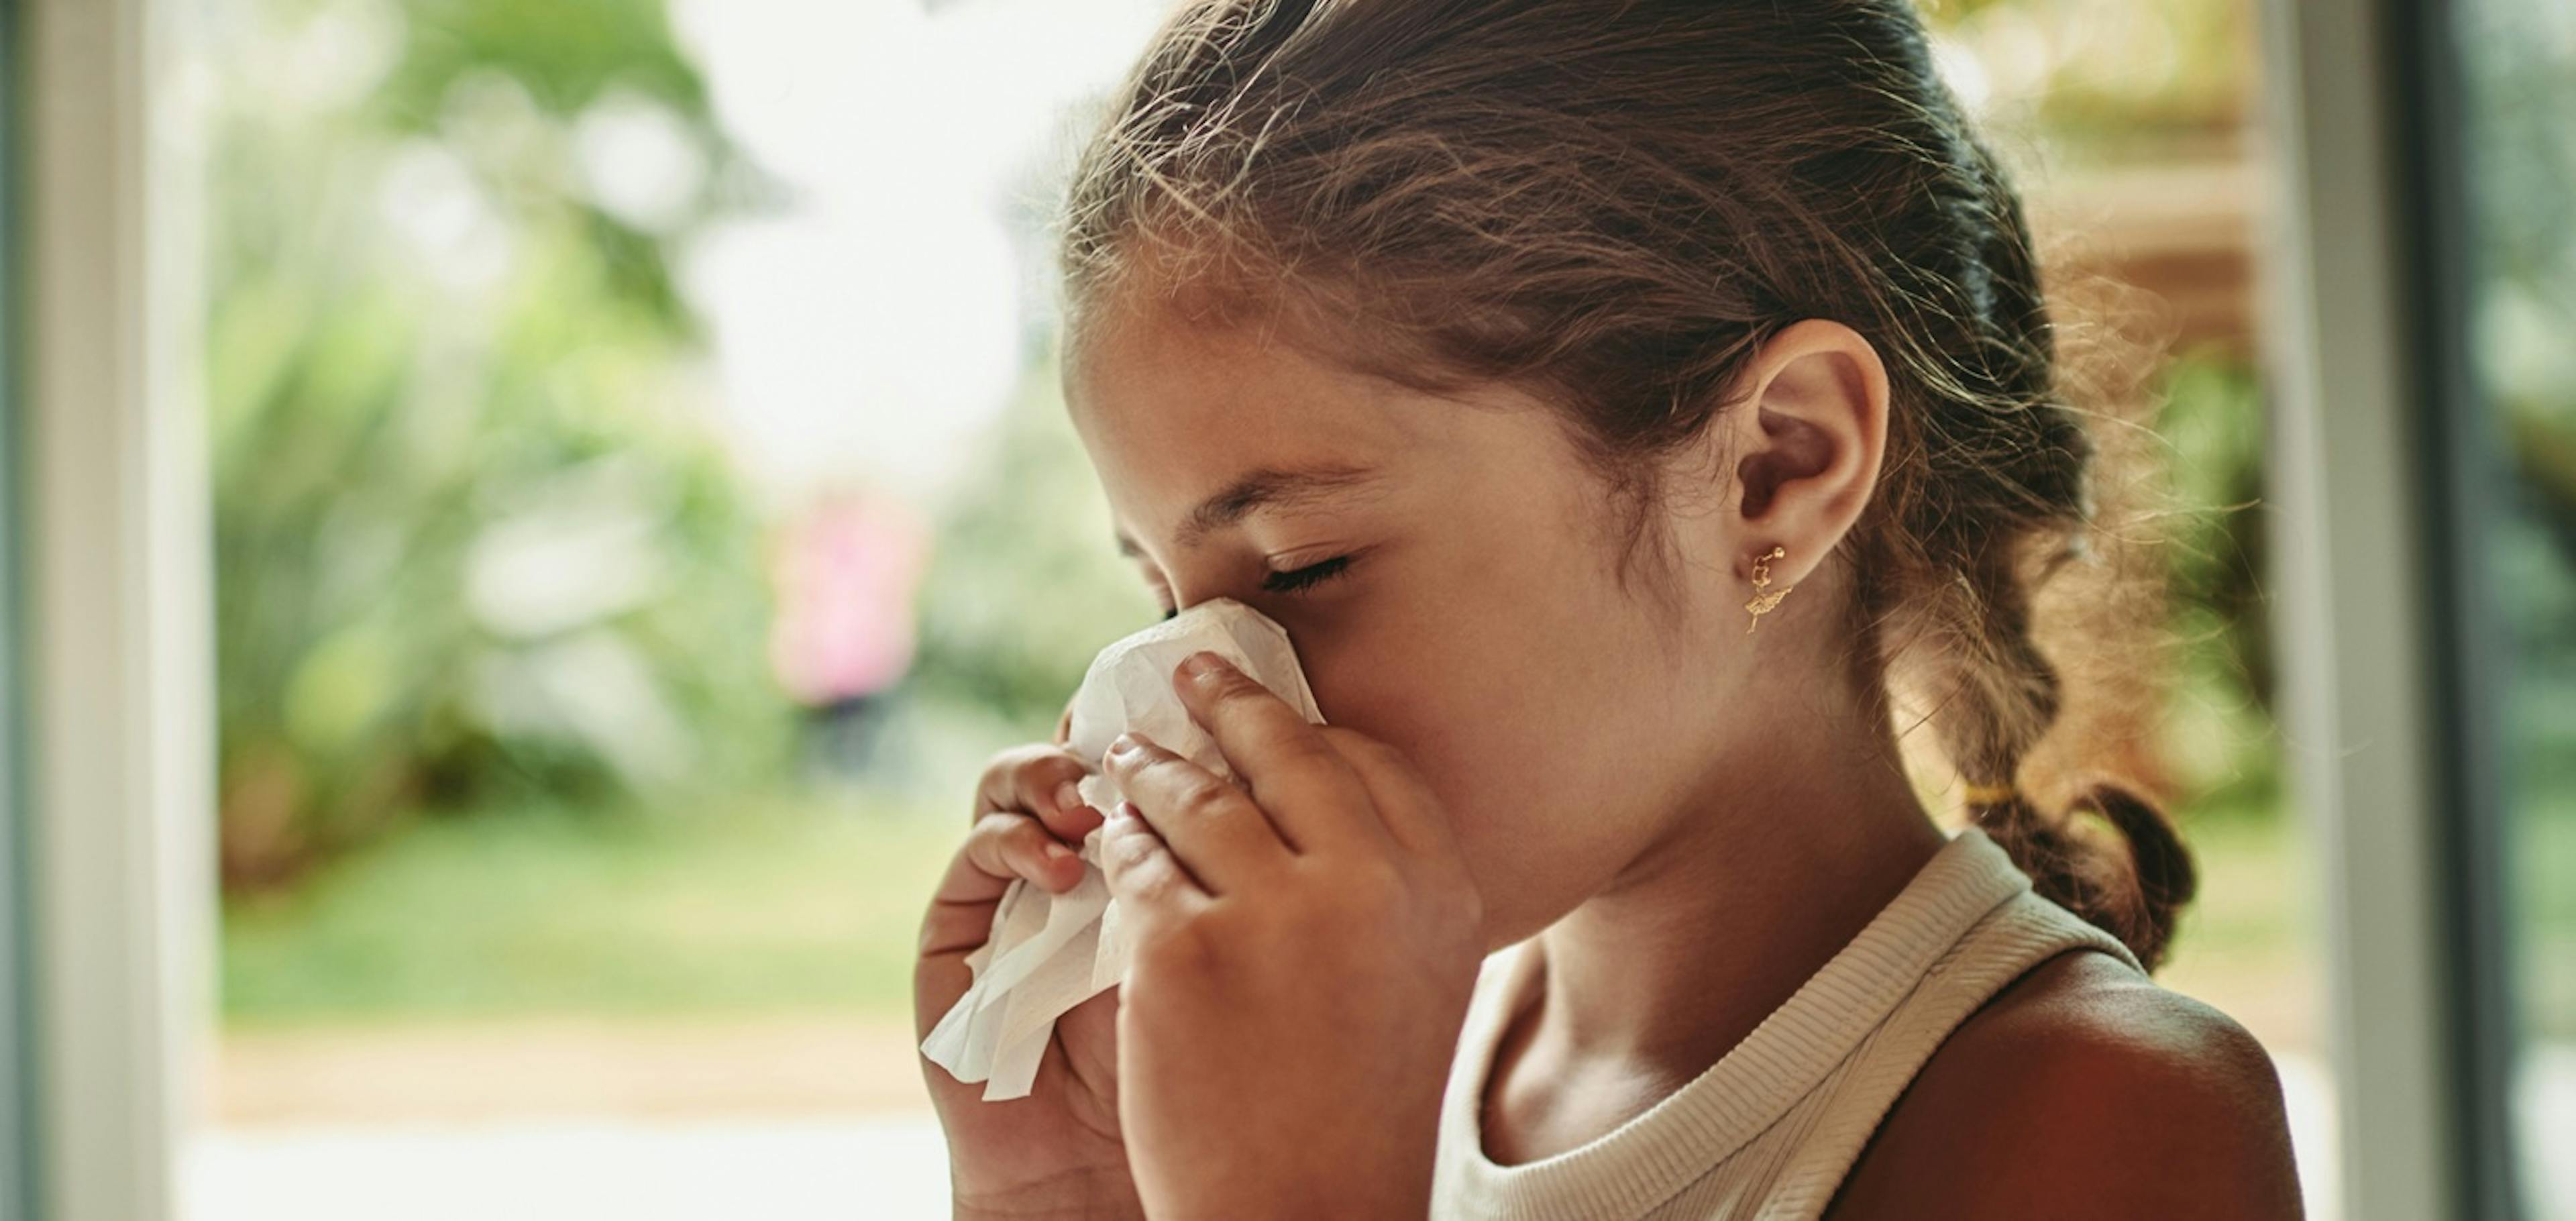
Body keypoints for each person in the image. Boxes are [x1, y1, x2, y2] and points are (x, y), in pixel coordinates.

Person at [916, 1, 2305, 1217]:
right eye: (1161, 592)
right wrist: (1071, 1199)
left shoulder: (2108, 1122)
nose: (1190, 694)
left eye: (1300, 569)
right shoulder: (1406, 1052)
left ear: (1777, 468)